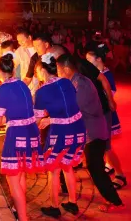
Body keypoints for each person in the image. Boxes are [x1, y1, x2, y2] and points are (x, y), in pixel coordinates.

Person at [57, 54, 125, 213]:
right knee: (69, 160)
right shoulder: (75, 81)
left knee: (95, 167)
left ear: (66, 69)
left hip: (94, 132)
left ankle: (114, 200)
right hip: (89, 130)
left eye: (59, 70)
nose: (58, 73)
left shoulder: (81, 85)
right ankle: (68, 192)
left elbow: (73, 110)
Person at [0, 52, 43, 221]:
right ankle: (17, 210)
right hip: (31, 131)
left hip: (16, 135)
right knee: (20, 174)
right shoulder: (22, 85)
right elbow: (18, 112)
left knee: (12, 179)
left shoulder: (1, 89)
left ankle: (23, 217)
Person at [34, 53, 86, 218]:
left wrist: (46, 120)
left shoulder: (41, 91)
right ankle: (73, 203)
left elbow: (37, 118)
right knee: (68, 166)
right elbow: (69, 108)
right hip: (78, 129)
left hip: (62, 132)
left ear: (42, 70)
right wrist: (50, 118)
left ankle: (54, 206)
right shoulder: (66, 82)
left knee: (54, 169)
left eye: (37, 72)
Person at [86, 48, 127, 190]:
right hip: (99, 113)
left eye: (89, 60)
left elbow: (110, 93)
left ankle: (120, 175)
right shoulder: (95, 74)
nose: (87, 63)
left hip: (105, 114)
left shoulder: (106, 75)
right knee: (103, 144)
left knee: (107, 146)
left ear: (98, 59)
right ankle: (109, 165)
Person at [15, 29, 38, 95]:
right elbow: (12, 64)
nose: (20, 43)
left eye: (22, 40)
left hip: (39, 86)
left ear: (29, 37)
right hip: (26, 86)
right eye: (18, 41)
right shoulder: (20, 50)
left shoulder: (39, 49)